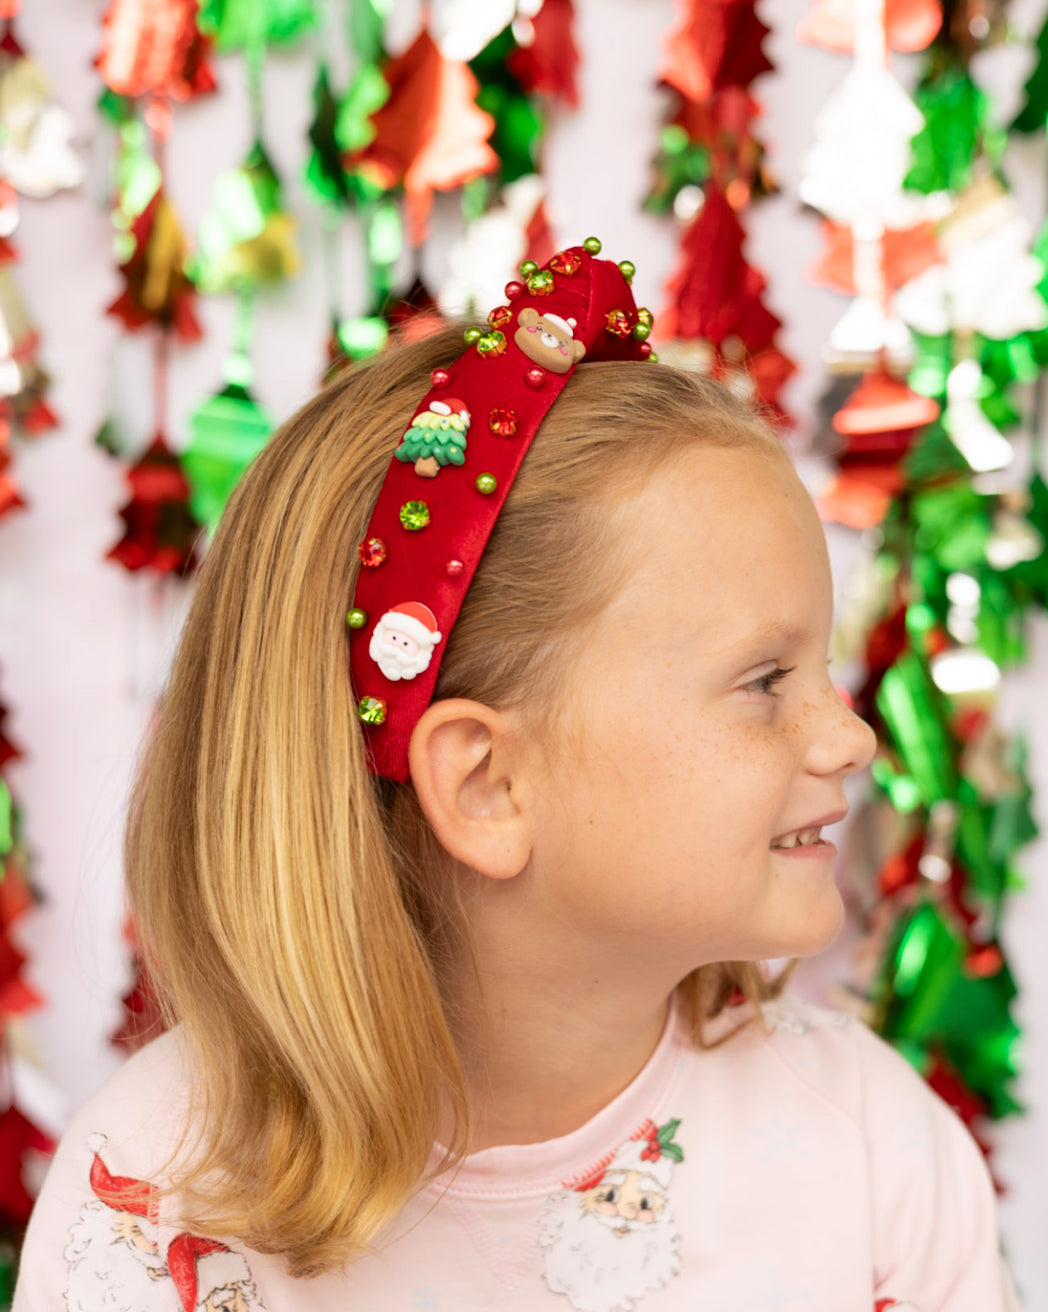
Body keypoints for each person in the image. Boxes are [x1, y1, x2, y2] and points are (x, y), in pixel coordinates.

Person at [14, 243, 1020, 1312]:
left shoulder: (869, 1151)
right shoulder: (150, 1199)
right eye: (765, 680)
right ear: (487, 784)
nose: (850, 737)